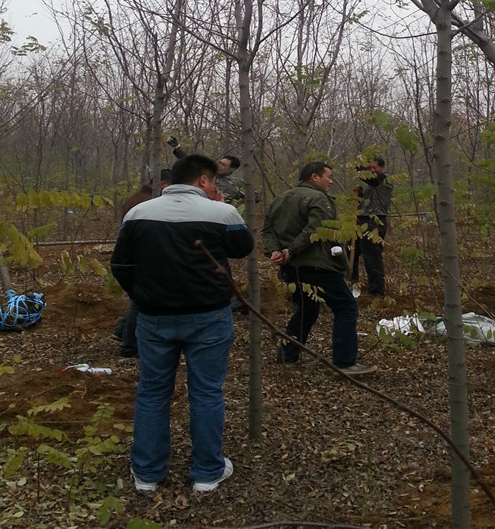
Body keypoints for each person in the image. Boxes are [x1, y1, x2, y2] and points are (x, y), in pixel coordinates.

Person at [111, 154, 254, 492]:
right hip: (209, 317)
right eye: (214, 183)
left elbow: (121, 264)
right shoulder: (222, 212)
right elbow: (243, 248)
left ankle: (146, 474)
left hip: (154, 318)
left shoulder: (138, 213)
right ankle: (207, 473)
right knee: (206, 392)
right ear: (204, 181)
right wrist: (220, 208)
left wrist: (143, 295)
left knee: (152, 392)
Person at [262, 161, 376, 375]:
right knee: (346, 307)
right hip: (317, 266)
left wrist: (276, 252)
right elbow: (315, 229)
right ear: (314, 177)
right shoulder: (318, 198)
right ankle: (344, 363)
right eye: (328, 176)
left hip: (291, 267)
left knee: (307, 309)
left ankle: (288, 356)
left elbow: (267, 230)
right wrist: (291, 251)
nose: (331, 181)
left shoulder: (280, 199)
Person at [112, 170, 172, 358]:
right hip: (142, 258)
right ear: (163, 185)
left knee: (139, 301)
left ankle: (122, 331)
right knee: (140, 302)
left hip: (138, 256)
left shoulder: (139, 198)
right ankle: (129, 346)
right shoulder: (146, 202)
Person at [350, 158, 393, 296]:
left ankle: (376, 291)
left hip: (375, 222)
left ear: (382, 167)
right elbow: (368, 201)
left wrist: (359, 167)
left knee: (372, 256)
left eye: (375, 168)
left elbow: (373, 181)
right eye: (370, 168)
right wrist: (361, 194)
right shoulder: (370, 184)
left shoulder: (385, 179)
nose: (372, 171)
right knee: (350, 251)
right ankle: (353, 283)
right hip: (360, 220)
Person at [168, 136, 244, 202]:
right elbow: (189, 162)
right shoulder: (206, 174)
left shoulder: (237, 184)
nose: (219, 165)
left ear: (232, 169)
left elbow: (254, 197)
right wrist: (177, 147)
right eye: (220, 162)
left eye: (223, 165)